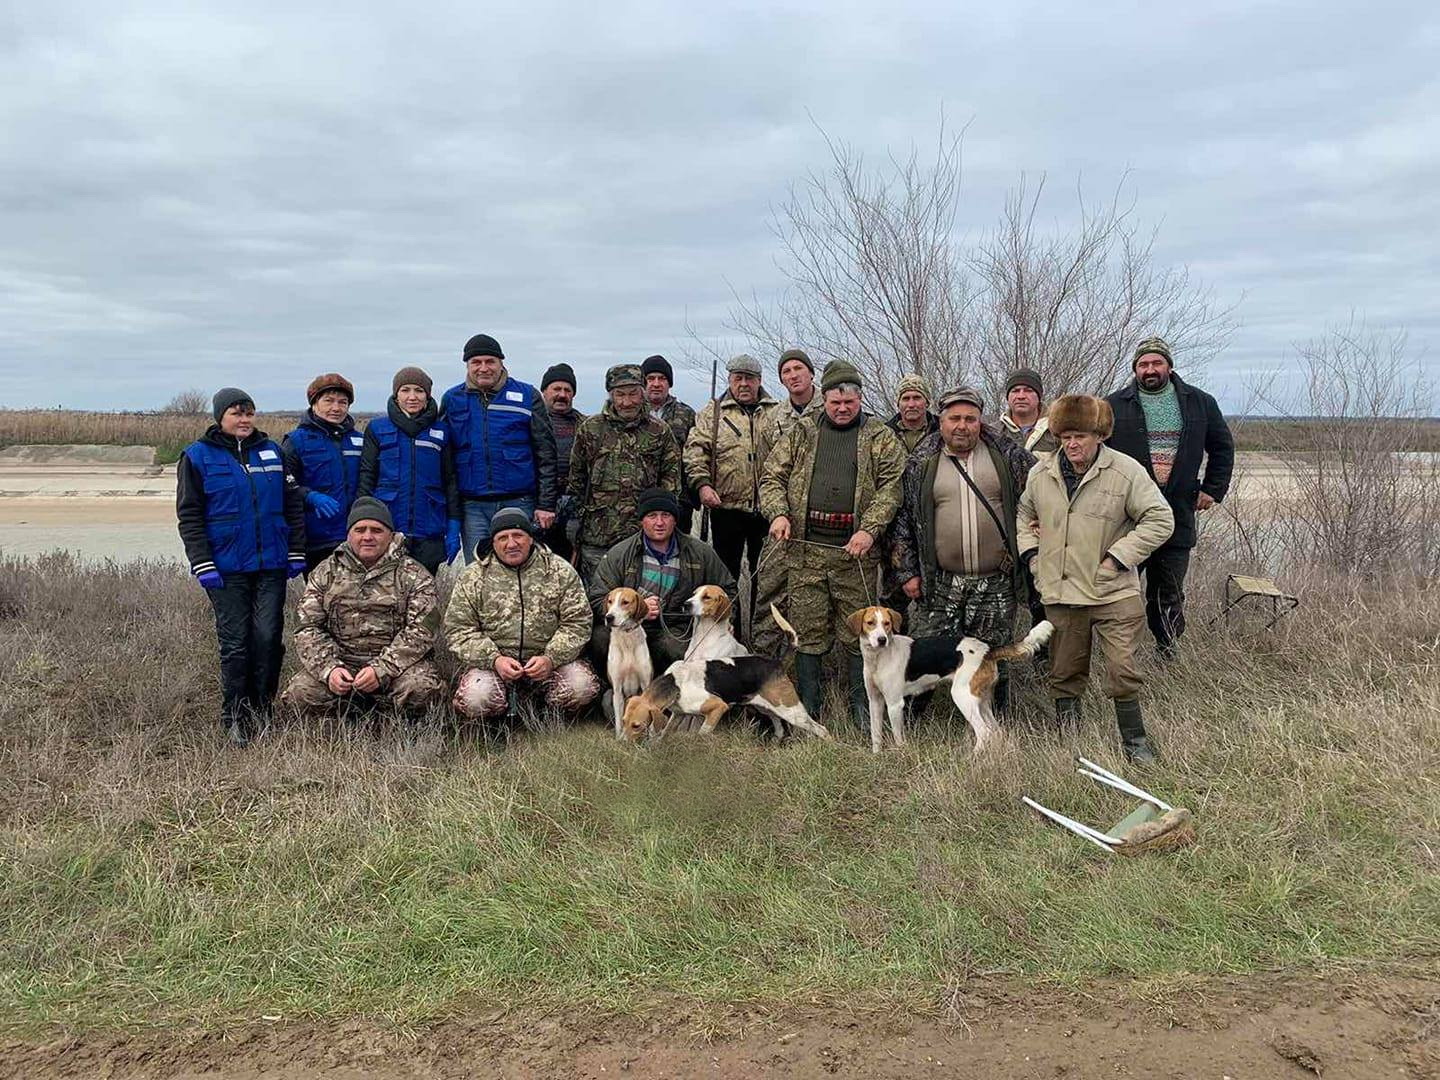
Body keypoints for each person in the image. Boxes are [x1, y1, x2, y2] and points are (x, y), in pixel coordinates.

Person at [1017, 395, 1175, 762]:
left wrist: (1117, 559)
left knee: (1122, 668)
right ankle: (1070, 742)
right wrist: (1034, 558)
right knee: (1064, 671)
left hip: (1113, 591)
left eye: (1082, 436)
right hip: (1061, 592)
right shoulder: (1041, 474)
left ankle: (1135, 745)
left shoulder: (1126, 471)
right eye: (1066, 436)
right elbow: (1024, 515)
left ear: (1100, 435)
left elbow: (1160, 519)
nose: (1073, 444)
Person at [758, 361, 906, 727]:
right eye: (835, 402)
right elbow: (771, 477)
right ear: (823, 399)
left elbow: (892, 486)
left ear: (859, 399)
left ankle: (862, 709)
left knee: (860, 631)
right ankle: (809, 708)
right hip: (805, 554)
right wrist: (778, 514)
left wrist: (869, 529)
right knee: (807, 632)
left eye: (850, 402)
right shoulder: (802, 432)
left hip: (853, 554)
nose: (842, 408)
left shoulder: (879, 436)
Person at [890, 386, 1035, 712]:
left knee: (995, 653)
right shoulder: (921, 464)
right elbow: (904, 520)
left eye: (970, 418)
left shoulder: (1005, 458)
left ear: (980, 422)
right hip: (940, 582)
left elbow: (1039, 492)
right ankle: (914, 722)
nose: (962, 425)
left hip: (995, 581)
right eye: (954, 418)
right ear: (941, 422)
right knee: (926, 652)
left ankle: (999, 718)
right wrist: (907, 571)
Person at [176, 387, 307, 745]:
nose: (244, 419)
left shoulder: (272, 452)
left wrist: (295, 551)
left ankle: (261, 709)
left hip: (271, 564)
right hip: (226, 566)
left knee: (267, 638)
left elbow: (292, 504)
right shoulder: (198, 457)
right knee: (236, 643)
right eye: (236, 413)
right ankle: (234, 715)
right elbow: (189, 515)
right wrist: (202, 562)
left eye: (249, 413)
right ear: (220, 417)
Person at [1105, 337, 1234, 659]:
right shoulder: (1113, 405)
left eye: (1156, 363)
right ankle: (1120, 655)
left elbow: (1222, 448)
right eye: (1143, 364)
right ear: (1135, 369)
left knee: (1169, 593)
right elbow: (1098, 454)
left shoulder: (1200, 403)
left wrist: (1212, 490)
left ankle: (1168, 653)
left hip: (1177, 514)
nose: (1150, 370)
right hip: (1128, 519)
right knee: (1119, 590)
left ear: (1169, 366)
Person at [280, 497, 446, 718]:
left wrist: (381, 669)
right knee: (299, 695)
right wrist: (330, 670)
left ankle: (390, 717)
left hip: (399, 667)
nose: (367, 537)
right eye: (360, 530)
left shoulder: (414, 574)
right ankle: (352, 712)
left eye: (376, 530)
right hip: (343, 664)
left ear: (390, 534)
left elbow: (423, 631)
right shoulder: (324, 572)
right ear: (349, 535)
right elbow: (307, 628)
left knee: (421, 691)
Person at [445, 507, 600, 723]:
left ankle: (550, 717)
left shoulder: (559, 571)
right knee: (476, 697)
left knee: (581, 687)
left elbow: (578, 622)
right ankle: (494, 726)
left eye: (518, 535)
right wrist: (494, 659)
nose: (511, 544)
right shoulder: (473, 577)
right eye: (503, 538)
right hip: (494, 667)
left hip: (548, 664)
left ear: (530, 539)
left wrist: (550, 657)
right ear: (493, 542)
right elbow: (458, 630)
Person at [587, 489, 736, 708]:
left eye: (666, 515)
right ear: (641, 521)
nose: (659, 522)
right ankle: (614, 689)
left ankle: (676, 697)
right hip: (629, 629)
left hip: (674, 628)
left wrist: (725, 621)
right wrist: (638, 610)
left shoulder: (700, 552)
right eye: (651, 516)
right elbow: (598, 597)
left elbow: (729, 590)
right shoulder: (620, 554)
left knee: (676, 648)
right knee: (599, 637)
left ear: (675, 519)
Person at [440, 333, 558, 563]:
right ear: (467, 365)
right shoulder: (452, 400)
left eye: (490, 362)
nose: (483, 368)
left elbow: (545, 453)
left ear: (501, 363)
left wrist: (546, 504)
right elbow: (445, 459)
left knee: (522, 568)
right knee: (478, 571)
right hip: (473, 507)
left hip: (520, 502)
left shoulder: (527, 396)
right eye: (476, 362)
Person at [683, 353, 779, 625]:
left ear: (759, 380)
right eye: (738, 378)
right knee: (725, 579)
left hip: (768, 513)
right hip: (726, 510)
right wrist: (703, 486)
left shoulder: (775, 412)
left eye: (749, 378)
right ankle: (727, 635)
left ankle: (761, 639)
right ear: (730, 380)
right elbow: (695, 452)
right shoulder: (712, 413)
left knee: (766, 580)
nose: (744, 384)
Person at [568, 364, 682, 580]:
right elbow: (577, 479)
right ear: (610, 395)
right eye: (620, 395)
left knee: (638, 600)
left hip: (642, 536)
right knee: (599, 598)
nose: (626, 402)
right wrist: (575, 521)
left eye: (633, 394)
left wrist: (660, 521)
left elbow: (671, 481)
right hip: (598, 534)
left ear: (643, 392)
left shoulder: (659, 431)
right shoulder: (590, 429)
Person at [751, 347, 826, 654]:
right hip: (783, 522)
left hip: (823, 522)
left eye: (798, 368)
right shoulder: (773, 419)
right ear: (781, 380)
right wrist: (777, 513)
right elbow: (767, 475)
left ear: (811, 373)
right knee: (770, 594)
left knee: (817, 602)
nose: (793, 375)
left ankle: (811, 669)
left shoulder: (833, 409)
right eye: (786, 371)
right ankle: (760, 670)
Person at [356, 366, 461, 575]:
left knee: (423, 597)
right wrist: (360, 520)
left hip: (429, 529)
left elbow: (450, 480)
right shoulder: (377, 429)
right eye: (405, 390)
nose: (412, 397)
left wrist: (453, 524)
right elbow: (367, 477)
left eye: (419, 391)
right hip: (387, 527)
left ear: (427, 395)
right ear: (396, 394)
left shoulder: (441, 431)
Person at [282, 373, 364, 572]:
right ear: (314, 403)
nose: (336, 408)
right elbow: (283, 485)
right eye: (328, 401)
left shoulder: (361, 441)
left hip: (356, 539)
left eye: (342, 402)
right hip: (316, 539)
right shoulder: (296, 441)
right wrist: (310, 496)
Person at [640, 354, 698, 535]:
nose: (656, 383)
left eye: (662, 378)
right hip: (640, 499)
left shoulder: (686, 414)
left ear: (669, 383)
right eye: (650, 378)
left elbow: (695, 455)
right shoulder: (631, 415)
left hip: (677, 501)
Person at [539, 363, 584, 562]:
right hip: (540, 505)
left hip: (575, 506)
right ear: (544, 392)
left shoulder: (585, 425)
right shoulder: (532, 422)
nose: (562, 395)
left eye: (568, 390)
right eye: (556, 389)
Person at [999, 368, 1060, 454]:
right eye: (1015, 391)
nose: (1021, 396)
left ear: (1039, 396)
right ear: (1008, 397)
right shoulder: (994, 432)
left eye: (1028, 391)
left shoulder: (1057, 429)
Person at [885, 374, 940, 455]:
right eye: (905, 399)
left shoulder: (943, 431)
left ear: (927, 402)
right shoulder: (884, 434)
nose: (911, 405)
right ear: (898, 404)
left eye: (917, 398)